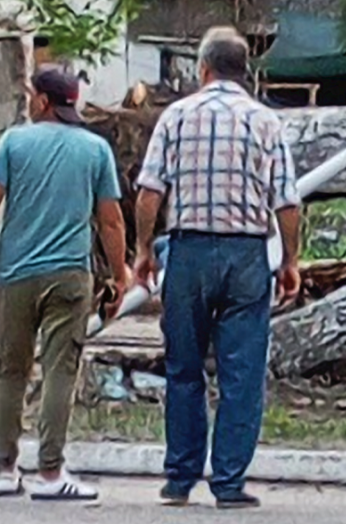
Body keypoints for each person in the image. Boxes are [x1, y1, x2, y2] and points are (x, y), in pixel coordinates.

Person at [132, 26, 303, 509]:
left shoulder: (176, 116)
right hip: (247, 256)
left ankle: (180, 478)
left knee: (184, 367)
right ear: (243, 71)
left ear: (202, 68)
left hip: (187, 253)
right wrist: (290, 260)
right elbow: (287, 201)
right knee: (241, 374)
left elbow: (150, 191)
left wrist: (144, 250)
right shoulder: (266, 121)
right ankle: (228, 481)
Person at [0, 68, 129, 501]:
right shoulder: (95, 150)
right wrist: (119, 273)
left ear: (42, 102)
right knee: (60, 369)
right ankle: (52, 473)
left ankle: (3, 467)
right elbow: (109, 220)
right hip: (70, 275)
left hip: (13, 274)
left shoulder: (12, 143)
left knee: (9, 369)